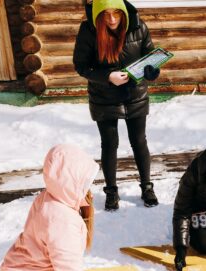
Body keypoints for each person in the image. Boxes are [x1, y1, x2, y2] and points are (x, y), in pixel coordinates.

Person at [0, 144, 137, 271]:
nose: (89, 186)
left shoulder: (48, 197)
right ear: (70, 179)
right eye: (84, 180)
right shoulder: (63, 221)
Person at [73, 0, 161, 211]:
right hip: (104, 96)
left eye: (116, 14)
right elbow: (81, 66)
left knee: (139, 141)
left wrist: (152, 71)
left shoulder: (138, 26)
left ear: (123, 12)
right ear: (98, 15)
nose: (112, 20)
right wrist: (107, 77)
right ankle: (111, 191)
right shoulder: (88, 30)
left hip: (135, 94)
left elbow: (150, 57)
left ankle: (147, 187)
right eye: (106, 15)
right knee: (109, 144)